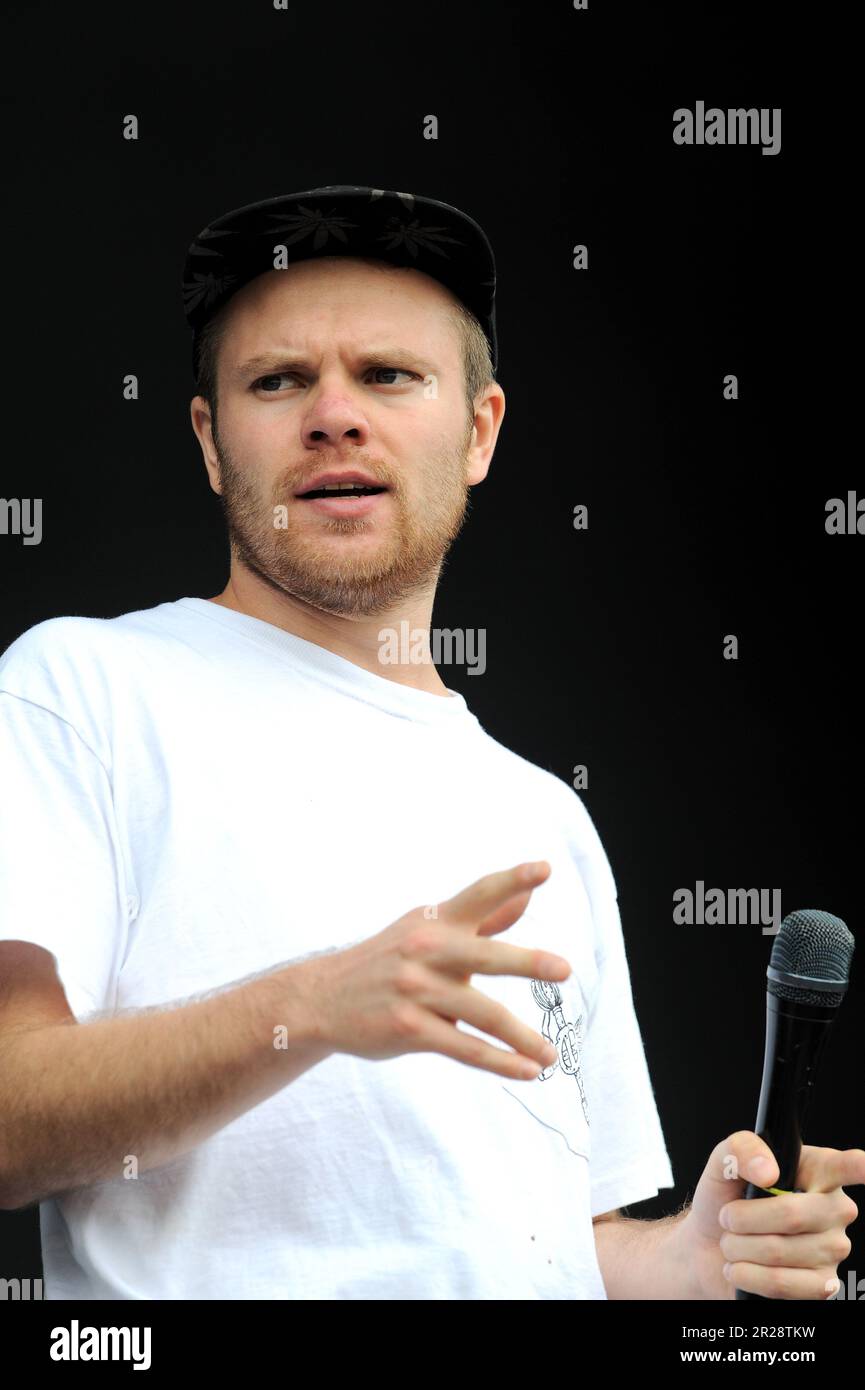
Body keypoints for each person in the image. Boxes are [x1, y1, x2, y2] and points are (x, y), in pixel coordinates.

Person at [0, 186, 859, 1301]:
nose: (334, 416)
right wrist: (308, 1008)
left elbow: (570, 1244)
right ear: (212, 443)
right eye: (278, 381)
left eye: (389, 376)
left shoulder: (548, 817)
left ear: (480, 431)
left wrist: (689, 1258)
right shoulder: (83, 691)